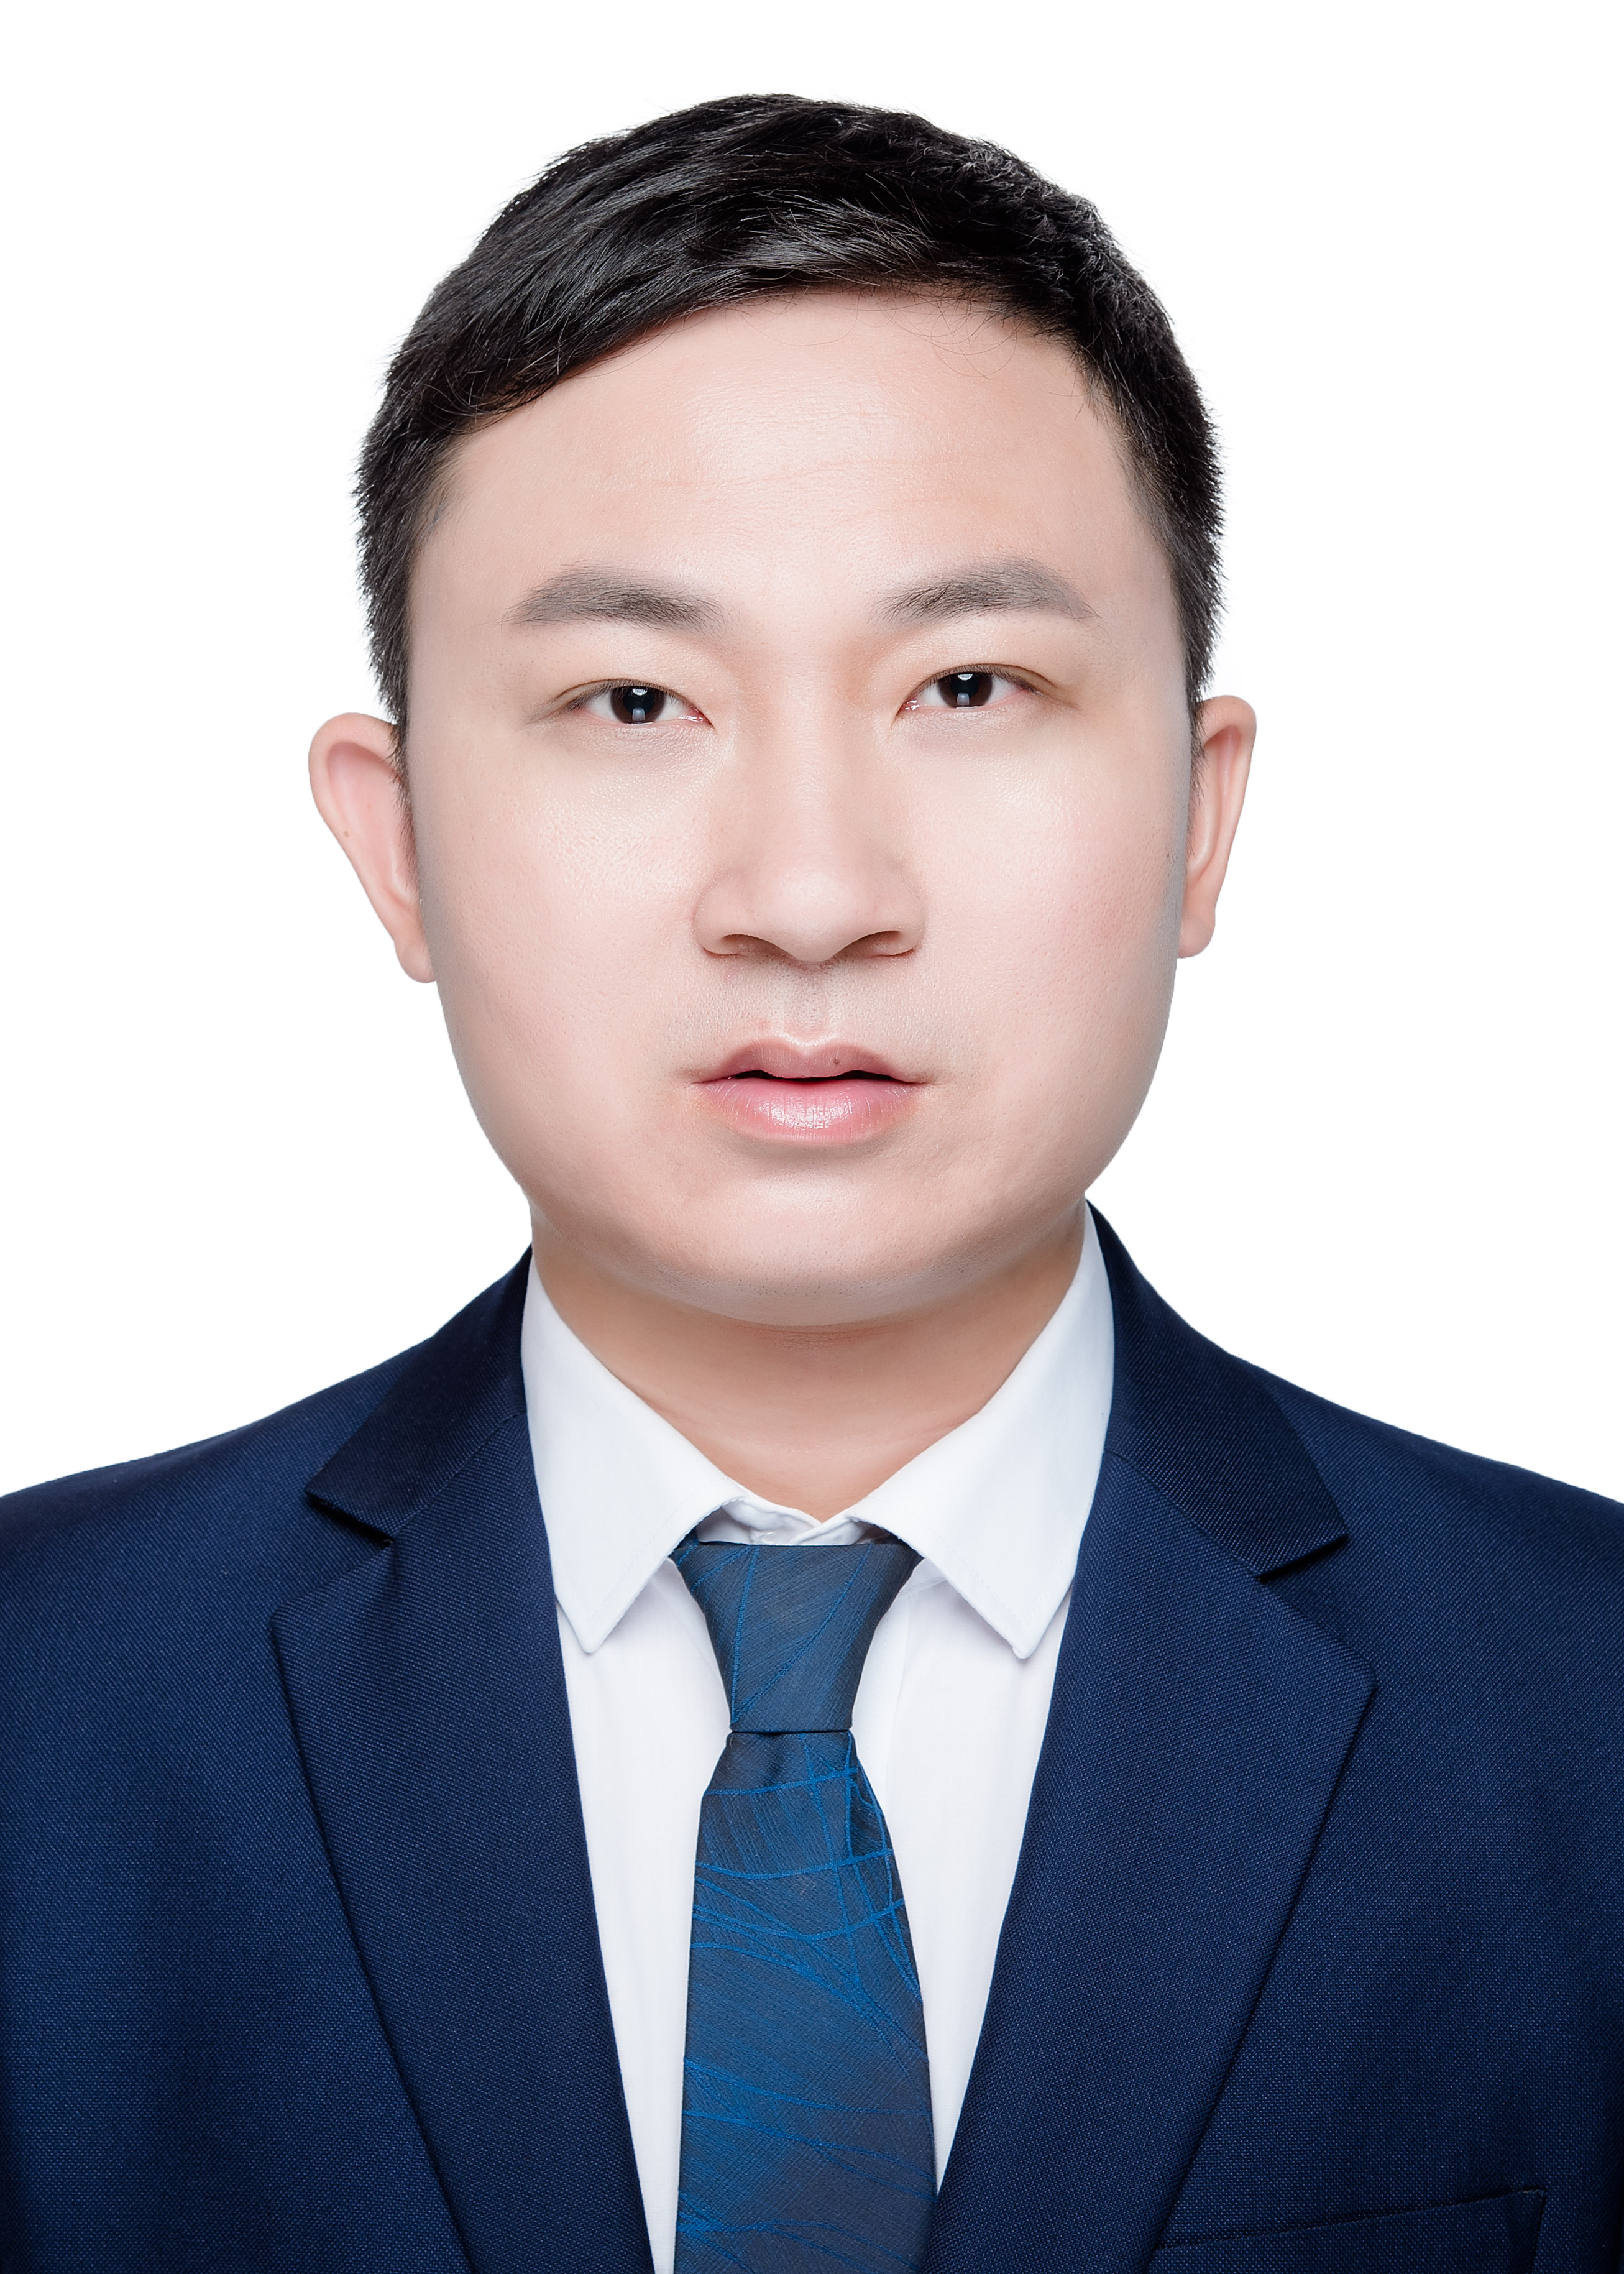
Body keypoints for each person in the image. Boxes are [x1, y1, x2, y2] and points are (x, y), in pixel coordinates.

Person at [1, 91, 1618, 2274]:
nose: (809, 891)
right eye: (632, 701)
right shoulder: (40, 1711)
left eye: (969, 683)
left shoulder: (1585, 1710)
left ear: (1200, 814)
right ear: (397, 844)